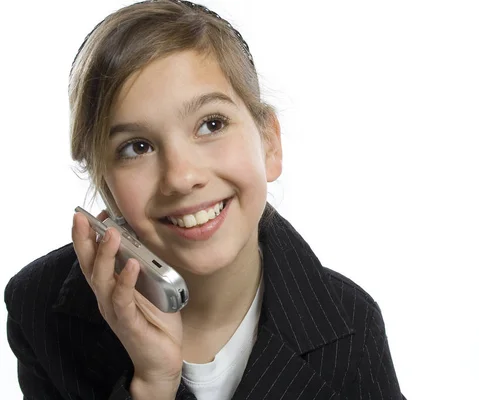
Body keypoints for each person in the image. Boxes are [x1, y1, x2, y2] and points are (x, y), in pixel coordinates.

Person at [4, 1, 405, 398]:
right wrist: (152, 383)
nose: (181, 177)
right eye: (136, 147)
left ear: (269, 144)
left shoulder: (353, 326)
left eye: (211, 124)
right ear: (105, 185)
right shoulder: (38, 308)